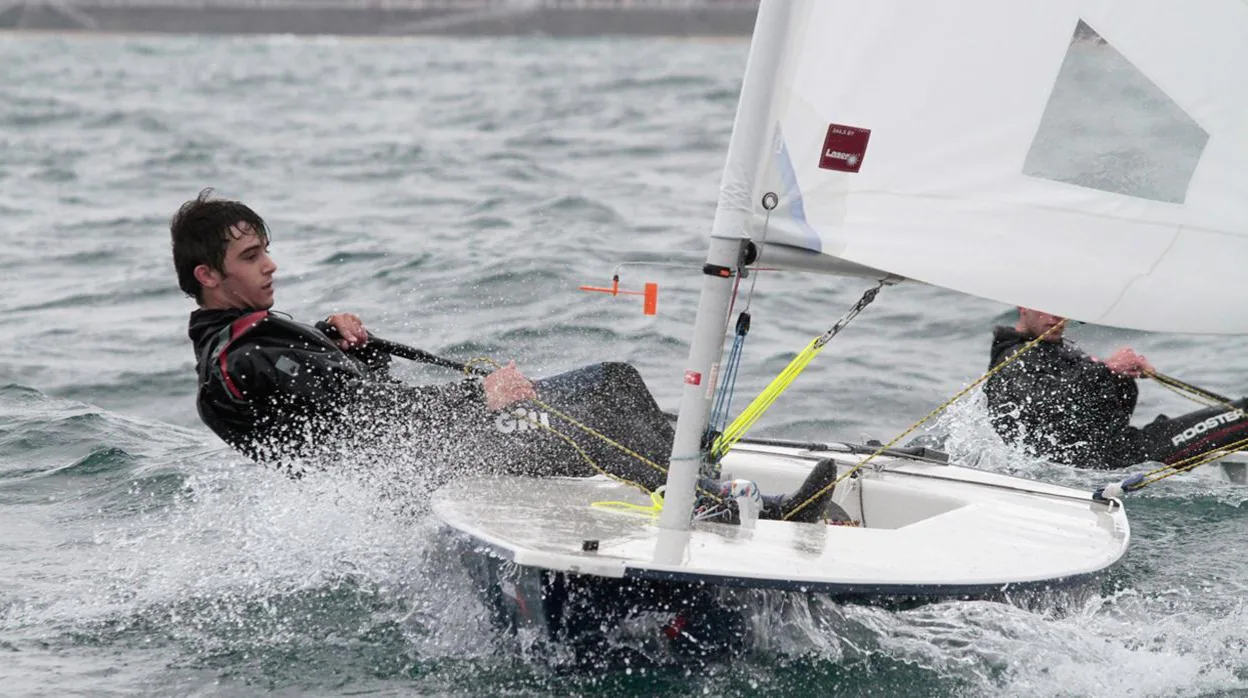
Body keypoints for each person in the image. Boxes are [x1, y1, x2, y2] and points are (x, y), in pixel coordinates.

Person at [172, 189, 675, 490]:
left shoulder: (237, 348)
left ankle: (690, 477)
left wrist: (346, 344)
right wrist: (481, 395)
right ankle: (701, 502)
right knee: (612, 385)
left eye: (266, 251)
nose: (270, 264)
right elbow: (378, 418)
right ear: (208, 275)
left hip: (415, 468)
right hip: (439, 468)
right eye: (251, 256)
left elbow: (348, 408)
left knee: (617, 405)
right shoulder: (250, 356)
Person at [984, 307, 1248, 469]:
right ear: (1022, 307)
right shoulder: (1014, 357)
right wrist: (1106, 369)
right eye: (1046, 309)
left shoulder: (1058, 350)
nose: (1056, 317)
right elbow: (1043, 404)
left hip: (1115, 449)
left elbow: (1111, 410)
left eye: (1062, 310)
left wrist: (1121, 376)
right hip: (1093, 462)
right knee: (1243, 416)